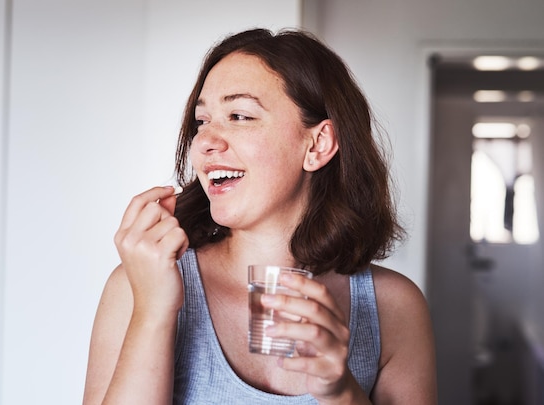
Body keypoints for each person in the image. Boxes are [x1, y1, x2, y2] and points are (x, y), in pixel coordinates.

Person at [82, 28, 437, 404]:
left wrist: (339, 391)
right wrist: (153, 312)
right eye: (202, 122)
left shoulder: (394, 308)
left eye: (239, 115)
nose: (204, 141)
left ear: (317, 145)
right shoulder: (137, 287)